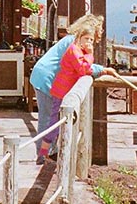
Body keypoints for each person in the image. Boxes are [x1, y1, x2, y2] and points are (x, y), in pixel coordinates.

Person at [39, 16, 116, 164]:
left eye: (91, 39)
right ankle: (44, 156)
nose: (89, 42)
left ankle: (48, 154)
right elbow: (82, 69)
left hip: (56, 85)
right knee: (51, 121)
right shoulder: (74, 47)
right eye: (87, 38)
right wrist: (94, 58)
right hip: (55, 85)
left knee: (53, 120)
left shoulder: (75, 45)